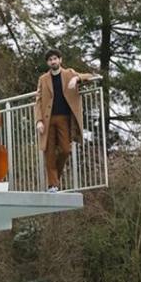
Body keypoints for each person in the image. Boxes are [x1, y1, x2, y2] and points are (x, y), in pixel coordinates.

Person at [35, 50, 97, 192]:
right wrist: (38, 120)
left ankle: (54, 178)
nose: (53, 61)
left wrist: (77, 79)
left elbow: (90, 76)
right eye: (50, 59)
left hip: (64, 118)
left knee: (65, 149)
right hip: (47, 119)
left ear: (60, 60)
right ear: (48, 63)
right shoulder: (43, 79)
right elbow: (38, 100)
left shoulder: (69, 73)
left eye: (55, 58)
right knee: (49, 152)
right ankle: (53, 185)